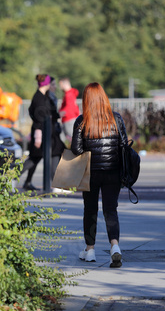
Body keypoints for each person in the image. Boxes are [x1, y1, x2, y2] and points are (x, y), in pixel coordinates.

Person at [71, 82, 127, 268]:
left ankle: (90, 250)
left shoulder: (82, 121)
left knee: (90, 210)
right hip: (113, 172)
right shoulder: (116, 119)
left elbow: (76, 149)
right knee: (110, 210)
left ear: (86, 100)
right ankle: (115, 247)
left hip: (91, 172)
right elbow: (124, 146)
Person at [21, 74, 65, 191]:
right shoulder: (39, 98)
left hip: (48, 133)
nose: (54, 86)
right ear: (47, 84)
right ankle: (56, 184)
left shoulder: (43, 97)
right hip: (43, 134)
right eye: (52, 83)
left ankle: (19, 179)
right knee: (36, 157)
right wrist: (38, 136)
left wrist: (57, 115)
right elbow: (39, 117)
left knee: (36, 157)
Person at [58, 78, 80, 144]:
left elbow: (69, 107)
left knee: (71, 138)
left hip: (69, 119)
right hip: (70, 118)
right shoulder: (70, 93)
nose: (60, 87)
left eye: (61, 85)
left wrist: (60, 113)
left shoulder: (69, 95)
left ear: (65, 84)